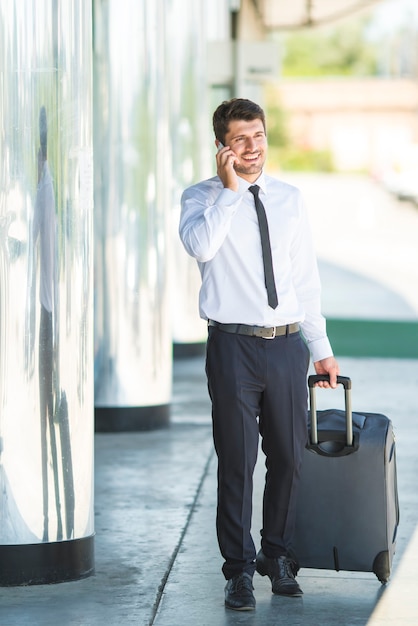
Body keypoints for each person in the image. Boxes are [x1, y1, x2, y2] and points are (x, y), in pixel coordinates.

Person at [179, 98, 339, 611]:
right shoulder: (200, 199)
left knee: (290, 458)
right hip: (232, 347)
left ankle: (279, 556)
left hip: (286, 345)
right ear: (222, 146)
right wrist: (230, 194)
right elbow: (201, 248)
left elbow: (304, 281)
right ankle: (239, 572)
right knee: (237, 461)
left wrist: (321, 349)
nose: (252, 149)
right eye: (240, 139)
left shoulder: (290, 199)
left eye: (258, 136)